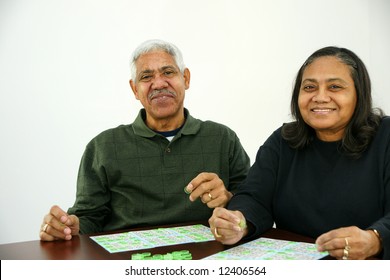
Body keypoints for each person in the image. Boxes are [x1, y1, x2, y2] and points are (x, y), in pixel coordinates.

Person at [40, 39, 250, 241]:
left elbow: (253, 204)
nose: (158, 83)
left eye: (168, 72)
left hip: (207, 255)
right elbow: (89, 218)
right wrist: (71, 227)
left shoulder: (223, 138)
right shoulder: (103, 146)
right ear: (134, 89)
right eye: (146, 77)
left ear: (185, 79)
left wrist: (229, 197)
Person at [209, 46, 390, 260]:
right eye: (310, 87)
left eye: (334, 87)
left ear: (359, 94)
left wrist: (375, 239)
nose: (320, 97)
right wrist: (238, 221)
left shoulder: (385, 137)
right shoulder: (282, 140)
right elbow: (254, 197)